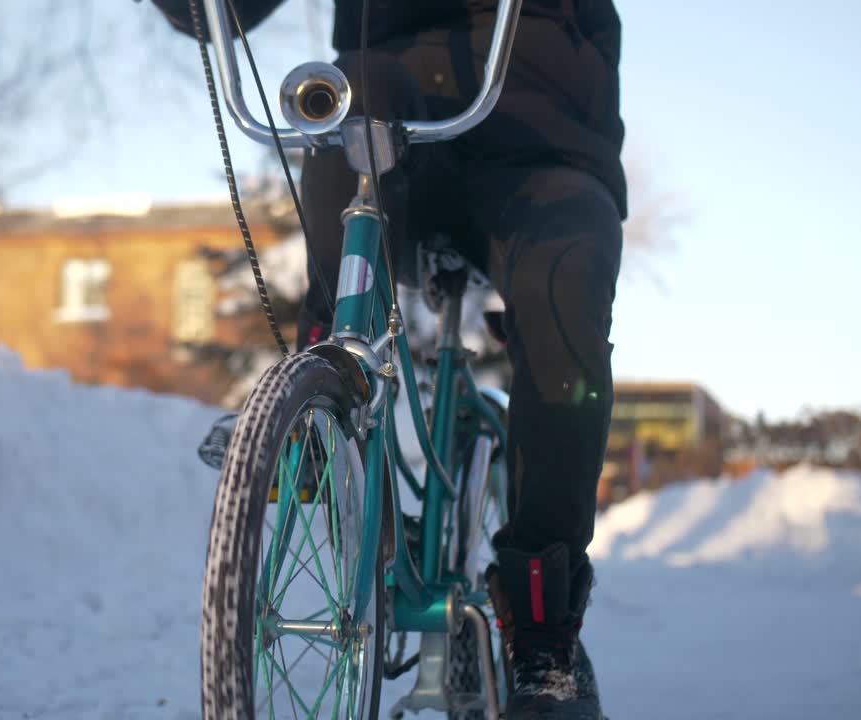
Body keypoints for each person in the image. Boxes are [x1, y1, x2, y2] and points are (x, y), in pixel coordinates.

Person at [151, 2, 625, 718]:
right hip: (400, 122)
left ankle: (542, 633)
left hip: (543, 144)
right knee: (355, 97)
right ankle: (322, 394)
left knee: (564, 297)